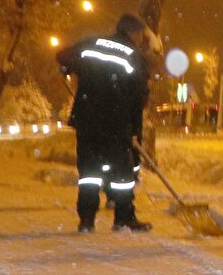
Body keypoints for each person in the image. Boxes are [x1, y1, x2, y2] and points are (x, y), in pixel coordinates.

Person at [56, 13, 152, 233]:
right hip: (115, 122)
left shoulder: (92, 43)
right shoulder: (135, 57)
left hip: (87, 119)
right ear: (133, 32)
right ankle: (123, 219)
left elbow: (62, 56)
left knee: (89, 172)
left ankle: (87, 220)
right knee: (122, 175)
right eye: (140, 34)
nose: (140, 39)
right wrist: (135, 130)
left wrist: (70, 68)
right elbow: (138, 99)